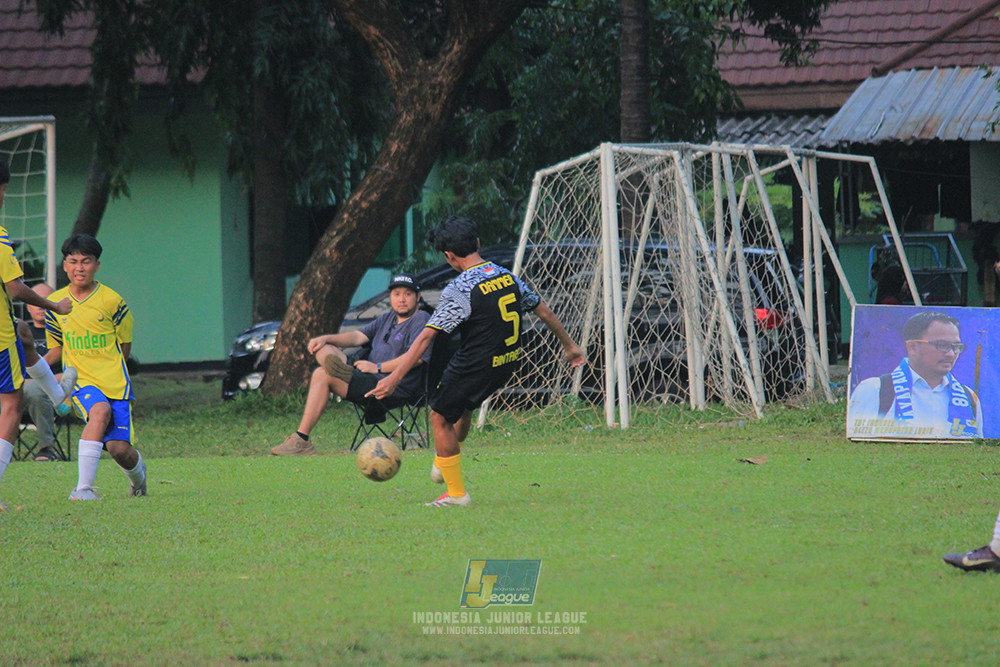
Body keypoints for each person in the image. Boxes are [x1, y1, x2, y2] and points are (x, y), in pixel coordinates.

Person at [369, 216, 586, 507]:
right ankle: (446, 457)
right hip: (507, 362)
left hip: (477, 363)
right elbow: (543, 311)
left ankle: (456, 493)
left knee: (438, 416)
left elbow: (424, 339)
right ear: (478, 244)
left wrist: (393, 378)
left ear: (448, 256)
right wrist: (570, 346)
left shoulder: (459, 288)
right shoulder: (504, 274)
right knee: (464, 406)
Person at [270, 273, 432, 456]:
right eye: (397, 294)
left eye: (408, 294)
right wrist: (326, 338)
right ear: (390, 297)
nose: (401, 299)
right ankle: (340, 369)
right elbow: (357, 337)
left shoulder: (421, 319)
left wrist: (377, 367)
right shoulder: (388, 318)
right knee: (324, 348)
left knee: (321, 375)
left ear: (418, 297)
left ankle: (301, 439)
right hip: (365, 373)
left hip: (388, 384)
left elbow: (416, 358)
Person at [45, 234, 146, 500]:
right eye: (73, 261)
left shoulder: (112, 301)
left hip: (115, 384)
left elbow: (124, 348)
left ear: (97, 265)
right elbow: (57, 349)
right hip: (80, 381)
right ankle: (83, 489)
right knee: (99, 411)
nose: (80, 267)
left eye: (86, 261)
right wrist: (35, 371)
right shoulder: (55, 305)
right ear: (65, 265)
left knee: (118, 449)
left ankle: (139, 479)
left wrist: (110, 368)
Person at [0, 161, 74, 511]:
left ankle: (59, 395)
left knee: (25, 333)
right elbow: (15, 289)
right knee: (12, 405)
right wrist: (53, 305)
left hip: (11, 334)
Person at [847, 311, 982, 439]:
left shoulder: (968, 398)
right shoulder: (874, 390)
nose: (951, 354)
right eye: (942, 345)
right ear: (912, 347)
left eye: (956, 346)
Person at [19, 283, 78, 461]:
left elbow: (74, 368)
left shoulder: (67, 332)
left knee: (35, 389)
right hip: (18, 390)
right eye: (37, 301)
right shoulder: (21, 333)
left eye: (47, 301)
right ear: (29, 306)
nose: (41, 306)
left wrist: (40, 380)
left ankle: (46, 448)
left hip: (54, 392)